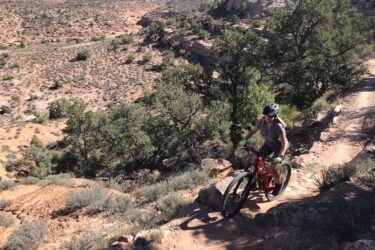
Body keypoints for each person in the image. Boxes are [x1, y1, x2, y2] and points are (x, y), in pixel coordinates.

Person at [240, 103, 289, 195]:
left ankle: (279, 184)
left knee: (272, 168)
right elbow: (253, 131)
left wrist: (280, 156)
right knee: (257, 162)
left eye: (270, 116)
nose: (267, 118)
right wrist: (245, 140)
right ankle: (253, 183)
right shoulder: (261, 122)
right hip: (268, 144)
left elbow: (284, 143)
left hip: (279, 147)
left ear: (274, 115)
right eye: (266, 115)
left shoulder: (278, 126)